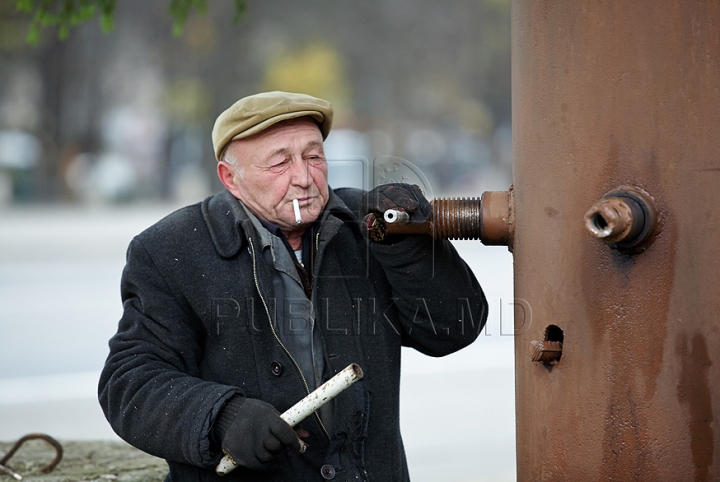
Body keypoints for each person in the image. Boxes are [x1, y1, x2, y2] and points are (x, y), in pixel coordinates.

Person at [99, 91, 487, 481]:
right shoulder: (170, 249)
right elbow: (129, 381)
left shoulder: (369, 224)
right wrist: (220, 416)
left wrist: (408, 248)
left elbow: (453, 329)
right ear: (231, 178)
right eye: (280, 162)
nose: (304, 178)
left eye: (314, 156)